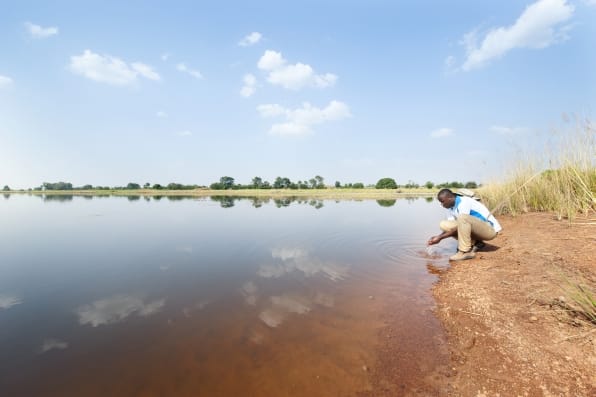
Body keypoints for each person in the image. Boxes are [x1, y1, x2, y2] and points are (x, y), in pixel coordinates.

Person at [427, 188, 502, 261]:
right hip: (476, 229)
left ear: (449, 198)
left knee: (462, 218)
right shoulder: (450, 207)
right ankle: (476, 243)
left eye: (442, 202)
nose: (441, 204)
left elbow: (461, 223)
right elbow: (453, 228)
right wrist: (437, 236)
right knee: (443, 224)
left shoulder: (464, 202)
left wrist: (440, 238)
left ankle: (465, 251)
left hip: (489, 230)